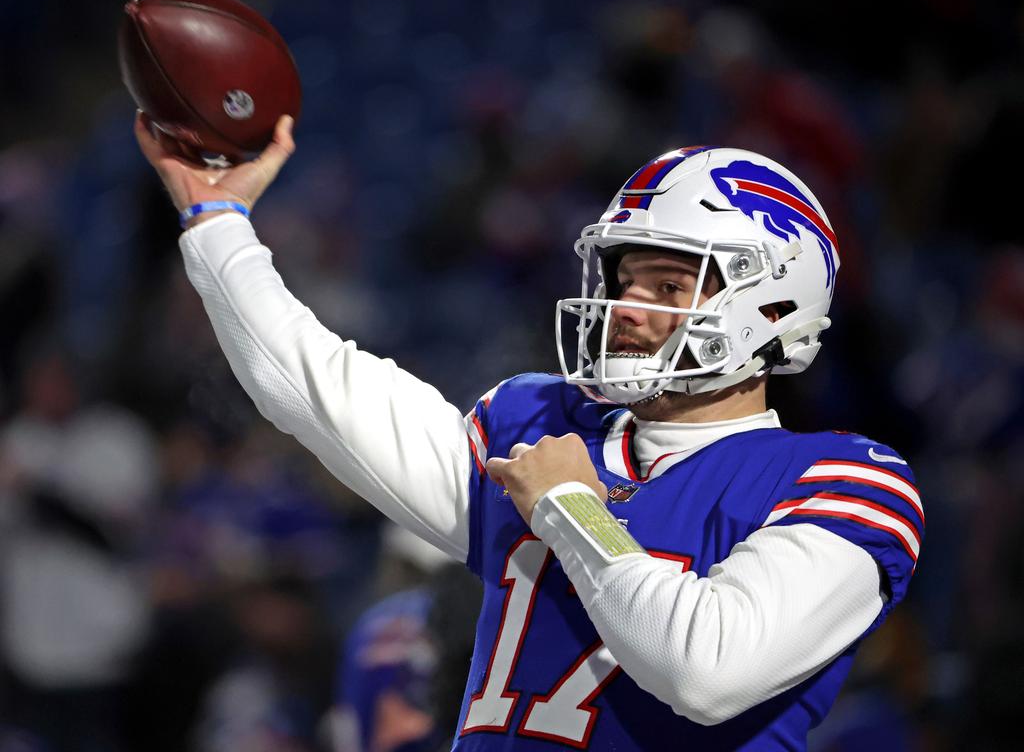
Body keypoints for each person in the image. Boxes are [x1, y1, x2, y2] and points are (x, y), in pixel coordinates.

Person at [134, 113, 923, 750]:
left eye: (670, 284)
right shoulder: (541, 425)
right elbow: (313, 388)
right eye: (625, 279)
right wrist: (217, 222)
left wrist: (574, 510)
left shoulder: (844, 478)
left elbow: (706, 670)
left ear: (775, 309)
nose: (630, 311)